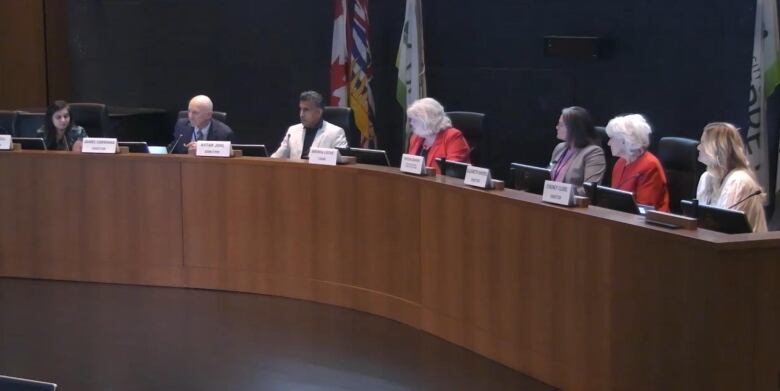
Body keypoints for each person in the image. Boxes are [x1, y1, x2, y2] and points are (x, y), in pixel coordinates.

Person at [696, 122, 767, 232]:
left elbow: (724, 228)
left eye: (703, 143)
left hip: (747, 247)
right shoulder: (705, 178)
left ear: (717, 148)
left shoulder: (739, 180)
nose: (698, 147)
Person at [605, 114, 670, 211]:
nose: (608, 143)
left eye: (612, 138)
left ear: (625, 141)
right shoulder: (619, 163)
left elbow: (645, 209)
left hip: (648, 224)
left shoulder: (650, 165)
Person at [271, 91, 348, 159]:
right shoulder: (292, 130)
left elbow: (342, 161)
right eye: (300, 109)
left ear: (319, 112)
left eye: (306, 110)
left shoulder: (336, 132)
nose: (301, 114)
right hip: (295, 174)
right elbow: (277, 157)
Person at [548, 106, 605, 195]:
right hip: (551, 199)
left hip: (574, 206)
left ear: (574, 129)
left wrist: (561, 193)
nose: (556, 127)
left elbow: (589, 190)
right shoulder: (559, 148)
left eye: (561, 124)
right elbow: (549, 176)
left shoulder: (594, 152)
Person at [405, 97, 470, 173]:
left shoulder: (453, 136)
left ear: (428, 120)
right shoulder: (415, 138)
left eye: (415, 119)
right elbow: (408, 168)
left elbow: (452, 173)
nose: (411, 123)